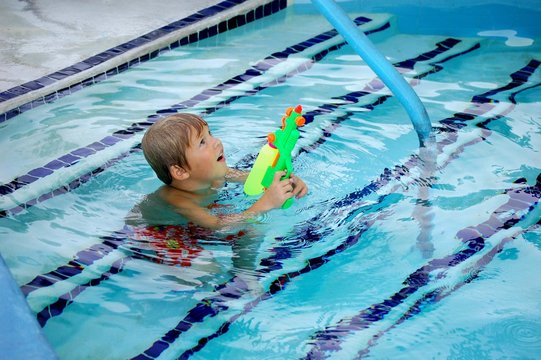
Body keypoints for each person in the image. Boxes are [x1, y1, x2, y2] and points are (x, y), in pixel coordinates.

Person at [138, 113, 308, 231]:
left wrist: (288, 182)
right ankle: (243, 274)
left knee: (251, 227)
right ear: (180, 171)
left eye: (210, 134)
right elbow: (220, 227)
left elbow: (258, 178)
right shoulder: (178, 200)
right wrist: (267, 203)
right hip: (166, 230)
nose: (217, 142)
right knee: (250, 232)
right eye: (202, 142)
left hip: (209, 213)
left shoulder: (219, 173)